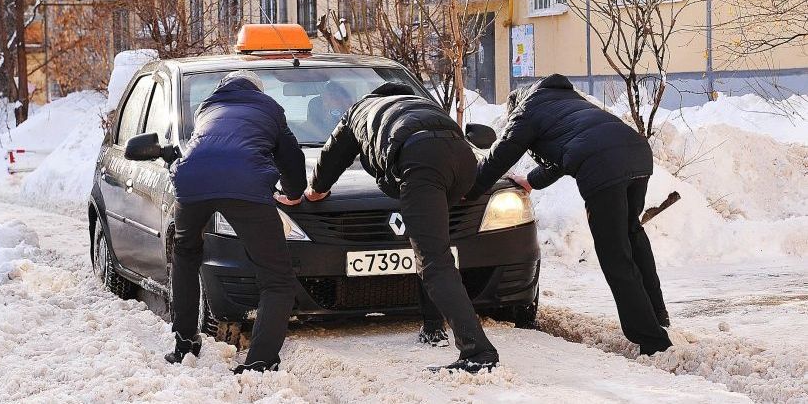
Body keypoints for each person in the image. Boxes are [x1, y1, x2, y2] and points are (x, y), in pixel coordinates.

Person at [277, 82, 499, 373]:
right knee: (429, 247)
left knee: (433, 260)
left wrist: (316, 190)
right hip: (461, 160)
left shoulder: (360, 110)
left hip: (421, 163)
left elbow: (334, 155)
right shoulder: (423, 106)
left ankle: (478, 352)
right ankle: (433, 327)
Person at [465, 73, 672, 356]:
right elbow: (567, 154)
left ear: (515, 106)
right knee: (632, 234)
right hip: (637, 153)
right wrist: (530, 180)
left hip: (603, 167)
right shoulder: (569, 102)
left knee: (615, 254)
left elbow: (501, 155)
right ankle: (658, 316)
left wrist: (468, 189)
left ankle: (652, 340)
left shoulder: (527, 109)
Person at [166, 70, 307, 373]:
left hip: (191, 182)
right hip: (246, 185)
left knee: (185, 255)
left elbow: (207, 148)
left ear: (223, 87)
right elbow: (291, 158)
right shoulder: (270, 108)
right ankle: (260, 362)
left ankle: (184, 342)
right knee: (277, 279)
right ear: (259, 91)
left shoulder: (207, 107)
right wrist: (294, 193)